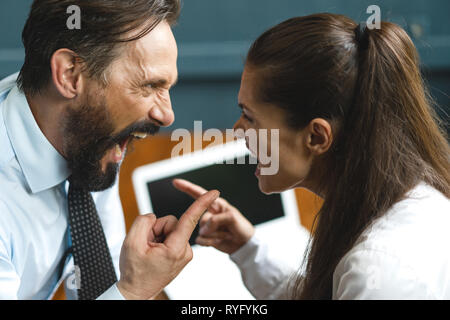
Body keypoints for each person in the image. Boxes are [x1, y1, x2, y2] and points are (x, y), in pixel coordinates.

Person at [173, 13, 450, 299]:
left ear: (316, 137)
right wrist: (247, 248)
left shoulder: (379, 271)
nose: (237, 130)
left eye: (249, 117)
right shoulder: (409, 201)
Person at [0, 0, 220, 300]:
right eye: (149, 86)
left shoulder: (87, 136)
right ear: (70, 75)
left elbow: (105, 274)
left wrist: (131, 281)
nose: (168, 116)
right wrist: (134, 290)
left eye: (167, 88)